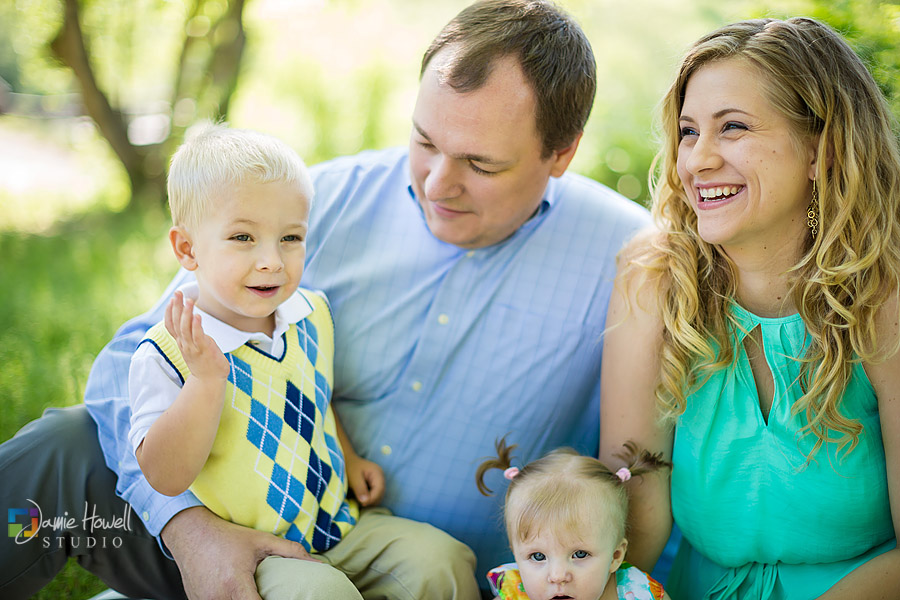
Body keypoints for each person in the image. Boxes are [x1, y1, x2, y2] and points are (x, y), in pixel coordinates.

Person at [0, 1, 650, 598]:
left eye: (480, 165)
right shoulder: (321, 203)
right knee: (60, 448)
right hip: (224, 515)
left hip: (407, 569)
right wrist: (189, 530)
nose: (437, 182)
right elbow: (125, 368)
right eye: (424, 142)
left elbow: (645, 471)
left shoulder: (625, 257)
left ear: (561, 153)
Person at [599, 17, 900, 600]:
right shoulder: (653, 277)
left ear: (822, 150)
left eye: (732, 128)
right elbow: (635, 518)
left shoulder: (885, 292)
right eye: (688, 132)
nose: (697, 161)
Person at [128, 123, 479, 599]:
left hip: (340, 525)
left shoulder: (309, 314)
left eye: (290, 238)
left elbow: (311, 395)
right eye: (243, 238)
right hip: (261, 555)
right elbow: (165, 477)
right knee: (321, 595)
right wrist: (206, 382)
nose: (272, 260)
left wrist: (350, 459)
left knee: (442, 562)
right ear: (187, 248)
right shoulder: (168, 353)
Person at [475, 438, 670, 600]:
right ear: (516, 556)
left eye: (580, 554)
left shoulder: (639, 594)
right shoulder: (515, 593)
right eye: (538, 556)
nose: (558, 576)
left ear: (615, 556)